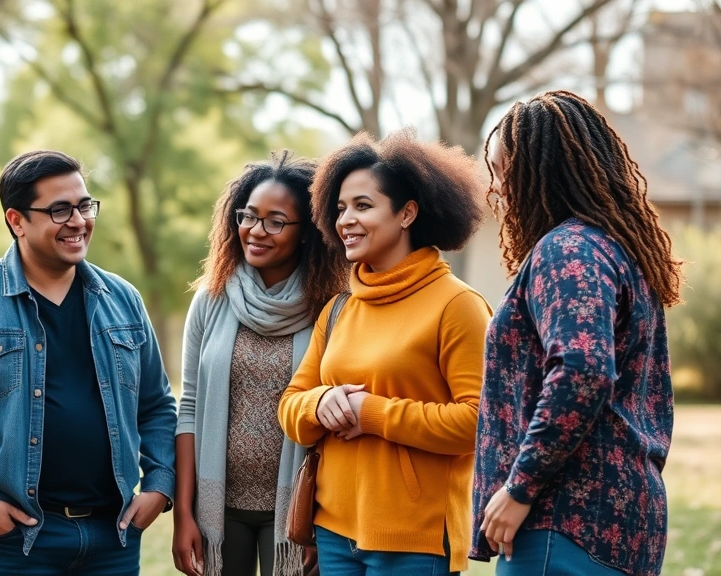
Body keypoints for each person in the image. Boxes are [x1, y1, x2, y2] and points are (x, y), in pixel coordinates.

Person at [0, 149, 177, 575]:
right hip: (15, 545)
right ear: (16, 220)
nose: (78, 221)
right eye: (59, 209)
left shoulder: (124, 301)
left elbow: (157, 405)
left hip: (114, 539)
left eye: (84, 206)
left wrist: (160, 484)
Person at [471, 90, 681, 576]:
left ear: (539, 173)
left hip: (564, 521)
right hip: (616, 519)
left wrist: (520, 487)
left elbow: (583, 369)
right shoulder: (612, 249)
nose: (496, 189)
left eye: (504, 173)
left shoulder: (567, 250)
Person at [277, 129, 491, 575]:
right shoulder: (340, 307)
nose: (346, 220)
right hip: (333, 533)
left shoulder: (458, 306)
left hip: (416, 540)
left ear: (407, 213)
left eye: (363, 205)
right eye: (339, 209)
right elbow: (290, 408)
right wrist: (322, 404)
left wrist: (370, 412)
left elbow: (479, 424)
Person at [172, 151, 348, 576]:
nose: (255, 231)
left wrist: (324, 519)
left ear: (307, 232)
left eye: (275, 221)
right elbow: (189, 407)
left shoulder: (333, 307)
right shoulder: (211, 298)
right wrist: (183, 515)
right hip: (219, 505)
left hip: (295, 505)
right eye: (247, 216)